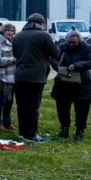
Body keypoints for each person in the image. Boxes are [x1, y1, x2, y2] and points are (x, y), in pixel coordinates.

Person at [12, 13, 60, 142]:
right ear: (42, 23)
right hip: (36, 77)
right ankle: (31, 134)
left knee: (22, 106)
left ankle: (22, 132)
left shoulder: (18, 35)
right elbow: (56, 53)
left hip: (20, 75)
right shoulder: (44, 35)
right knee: (33, 106)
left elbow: (15, 54)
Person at [50, 29, 91, 141]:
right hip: (63, 83)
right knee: (62, 108)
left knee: (82, 110)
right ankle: (64, 130)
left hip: (82, 84)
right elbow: (53, 58)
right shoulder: (62, 46)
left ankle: (79, 132)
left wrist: (77, 65)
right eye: (69, 42)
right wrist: (59, 68)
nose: (71, 44)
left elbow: (89, 61)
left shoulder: (87, 47)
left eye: (74, 42)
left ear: (79, 40)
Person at [0, 23, 17, 132]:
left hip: (12, 77)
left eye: (12, 30)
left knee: (10, 102)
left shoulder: (13, 43)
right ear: (2, 31)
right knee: (0, 102)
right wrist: (14, 59)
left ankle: (7, 123)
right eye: (8, 30)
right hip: (1, 77)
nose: (10, 32)